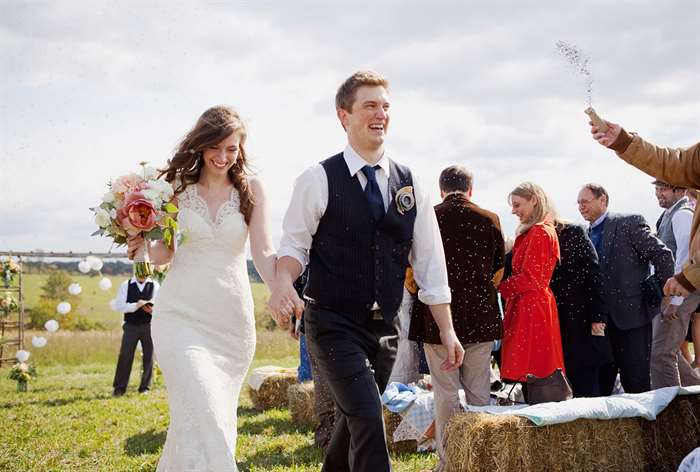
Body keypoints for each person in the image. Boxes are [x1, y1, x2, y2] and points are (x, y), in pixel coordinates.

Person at [268, 70, 464, 472]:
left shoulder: (411, 182)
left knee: (354, 420)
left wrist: (446, 329)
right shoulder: (317, 179)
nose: (380, 114)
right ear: (344, 116)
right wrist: (283, 281)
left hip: (388, 326)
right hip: (332, 321)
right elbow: (293, 247)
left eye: (386, 106)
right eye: (370, 105)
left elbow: (429, 260)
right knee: (369, 416)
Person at [127, 106, 276, 471]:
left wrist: (281, 289)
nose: (223, 157)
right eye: (215, 147)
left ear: (241, 149)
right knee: (203, 403)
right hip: (180, 315)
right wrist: (140, 241)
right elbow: (164, 254)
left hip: (229, 322)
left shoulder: (252, 190)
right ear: (201, 145)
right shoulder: (177, 190)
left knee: (213, 415)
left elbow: (263, 251)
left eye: (232, 149)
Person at [408, 165, 504, 470]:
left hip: (437, 319)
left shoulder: (426, 218)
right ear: (470, 189)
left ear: (441, 189)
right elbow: (498, 272)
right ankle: (481, 460)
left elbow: (410, 273)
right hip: (479, 317)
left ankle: (449, 463)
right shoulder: (490, 219)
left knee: (445, 393)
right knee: (480, 393)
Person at [577, 183, 673, 394]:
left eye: (585, 202)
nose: (580, 207)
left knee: (636, 383)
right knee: (601, 388)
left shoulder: (628, 223)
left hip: (633, 319)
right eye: (578, 203)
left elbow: (663, 255)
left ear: (603, 200)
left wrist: (657, 292)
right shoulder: (584, 233)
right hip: (601, 325)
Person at [589, 120, 700, 299]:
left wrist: (689, 278)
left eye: (662, 189)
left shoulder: (681, 214)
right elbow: (674, 163)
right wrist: (624, 142)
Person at [498, 182, 565, 392]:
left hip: (532, 309)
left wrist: (500, 287)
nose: (513, 211)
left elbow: (531, 278)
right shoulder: (539, 231)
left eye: (518, 205)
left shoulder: (540, 232)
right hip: (532, 305)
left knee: (534, 369)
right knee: (534, 370)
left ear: (533, 200)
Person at [549, 217, 612, 397]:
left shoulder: (573, 232)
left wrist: (598, 317)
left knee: (585, 378)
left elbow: (593, 274)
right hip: (554, 321)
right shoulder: (531, 235)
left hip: (581, 319)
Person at [649, 180, 700, 388]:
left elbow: (686, 256)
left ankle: (671, 410)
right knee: (670, 351)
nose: (658, 194)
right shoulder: (670, 213)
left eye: (663, 189)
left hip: (682, 292)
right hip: (676, 291)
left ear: (679, 190)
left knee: (661, 353)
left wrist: (677, 299)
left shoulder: (682, 214)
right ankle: (694, 393)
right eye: (657, 189)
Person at [111, 274, 160, 396]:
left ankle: (145, 388)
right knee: (125, 356)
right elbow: (119, 306)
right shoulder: (126, 285)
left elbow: (160, 305)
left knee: (149, 356)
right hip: (131, 326)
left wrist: (152, 309)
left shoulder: (155, 285)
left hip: (149, 326)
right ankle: (119, 388)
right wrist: (136, 305)